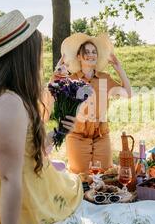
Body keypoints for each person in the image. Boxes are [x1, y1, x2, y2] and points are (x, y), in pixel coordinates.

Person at [0, 10, 83, 224]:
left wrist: (59, 132)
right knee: (74, 189)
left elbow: (24, 151)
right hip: (13, 204)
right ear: (24, 58)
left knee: (68, 176)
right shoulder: (9, 104)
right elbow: (9, 178)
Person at [55, 33, 132, 174]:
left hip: (101, 135)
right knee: (82, 177)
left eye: (94, 52)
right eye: (87, 52)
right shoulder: (70, 80)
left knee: (105, 176)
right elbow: (51, 96)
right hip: (77, 136)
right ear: (78, 56)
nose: (91, 55)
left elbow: (128, 94)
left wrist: (119, 68)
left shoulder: (105, 78)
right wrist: (57, 73)